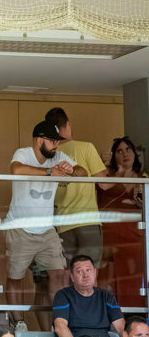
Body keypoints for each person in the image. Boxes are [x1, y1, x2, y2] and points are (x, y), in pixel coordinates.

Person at [3, 120, 83, 332]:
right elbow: (16, 170)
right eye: (53, 141)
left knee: (58, 274)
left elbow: (84, 173)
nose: (56, 146)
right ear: (39, 140)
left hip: (47, 230)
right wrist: (50, 173)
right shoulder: (23, 153)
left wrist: (71, 170)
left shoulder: (58, 157)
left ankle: (60, 322)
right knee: (15, 277)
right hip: (20, 228)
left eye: (58, 141)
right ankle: (18, 322)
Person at [47, 107, 110, 267]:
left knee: (70, 274)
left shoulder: (49, 155)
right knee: (89, 273)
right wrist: (111, 168)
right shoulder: (86, 147)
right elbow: (105, 184)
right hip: (87, 220)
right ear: (68, 124)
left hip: (62, 223)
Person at [97, 136, 146, 307]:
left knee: (134, 280)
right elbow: (99, 192)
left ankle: (136, 318)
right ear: (113, 155)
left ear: (134, 153)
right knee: (108, 278)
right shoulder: (108, 176)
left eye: (128, 150)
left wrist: (142, 205)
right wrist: (117, 172)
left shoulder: (143, 177)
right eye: (119, 151)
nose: (125, 154)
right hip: (110, 235)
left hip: (135, 236)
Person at [50, 255, 123, 337]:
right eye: (79, 271)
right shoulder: (63, 295)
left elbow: (121, 327)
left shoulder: (106, 296)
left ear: (95, 272)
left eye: (88, 270)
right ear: (72, 277)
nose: (85, 275)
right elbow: (60, 328)